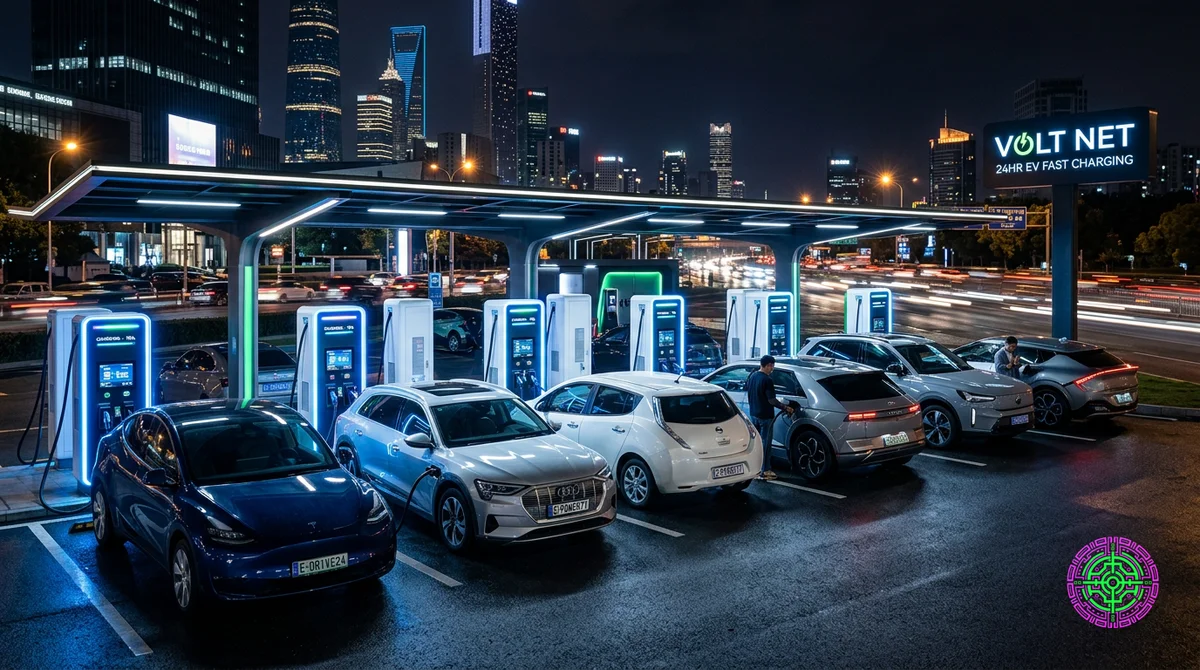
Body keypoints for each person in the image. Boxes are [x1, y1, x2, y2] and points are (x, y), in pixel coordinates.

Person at [745, 355, 795, 480]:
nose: (772, 369)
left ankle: (756, 468)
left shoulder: (753, 376)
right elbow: (772, 400)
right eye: (771, 366)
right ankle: (765, 470)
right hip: (765, 416)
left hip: (754, 414)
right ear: (768, 365)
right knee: (766, 444)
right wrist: (786, 408)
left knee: (757, 444)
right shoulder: (767, 380)